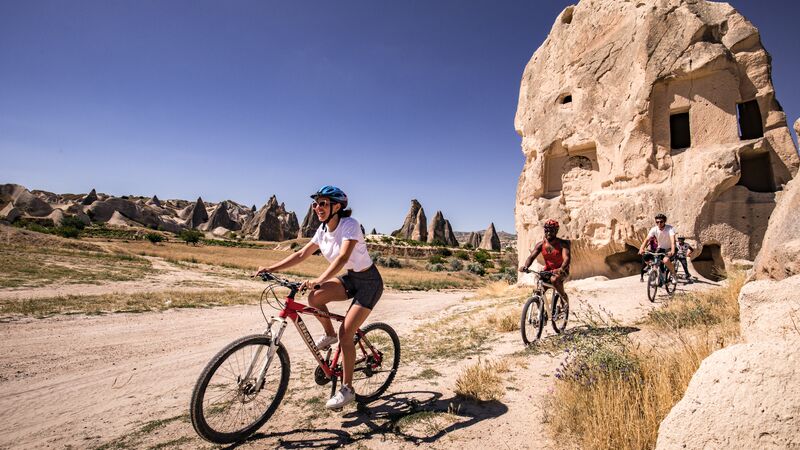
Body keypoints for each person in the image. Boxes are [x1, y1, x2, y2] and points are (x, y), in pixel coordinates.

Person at [256, 185, 382, 409]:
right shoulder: (322, 230)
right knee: (315, 298)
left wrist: (319, 279)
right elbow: (301, 253)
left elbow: (343, 258)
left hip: (369, 283)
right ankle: (329, 334)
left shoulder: (349, 225)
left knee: (347, 333)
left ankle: (348, 389)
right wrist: (270, 268)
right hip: (351, 278)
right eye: (315, 204)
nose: (317, 207)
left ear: (337, 206)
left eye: (322, 203)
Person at [519, 219, 571, 309]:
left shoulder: (562, 244)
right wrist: (526, 266)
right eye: (547, 230)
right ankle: (542, 315)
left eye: (551, 230)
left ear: (556, 231)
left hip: (562, 271)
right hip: (548, 271)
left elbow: (566, 258)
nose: (548, 232)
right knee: (538, 291)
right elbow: (531, 257)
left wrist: (561, 269)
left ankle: (564, 298)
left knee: (554, 280)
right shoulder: (541, 244)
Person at [638, 213, 677, 282]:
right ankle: (653, 273)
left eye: (661, 221)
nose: (659, 223)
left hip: (669, 248)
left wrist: (672, 250)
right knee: (648, 258)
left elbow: (672, 241)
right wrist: (641, 248)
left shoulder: (670, 228)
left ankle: (673, 274)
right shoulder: (654, 229)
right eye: (657, 222)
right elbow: (647, 239)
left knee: (666, 260)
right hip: (660, 248)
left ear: (664, 221)